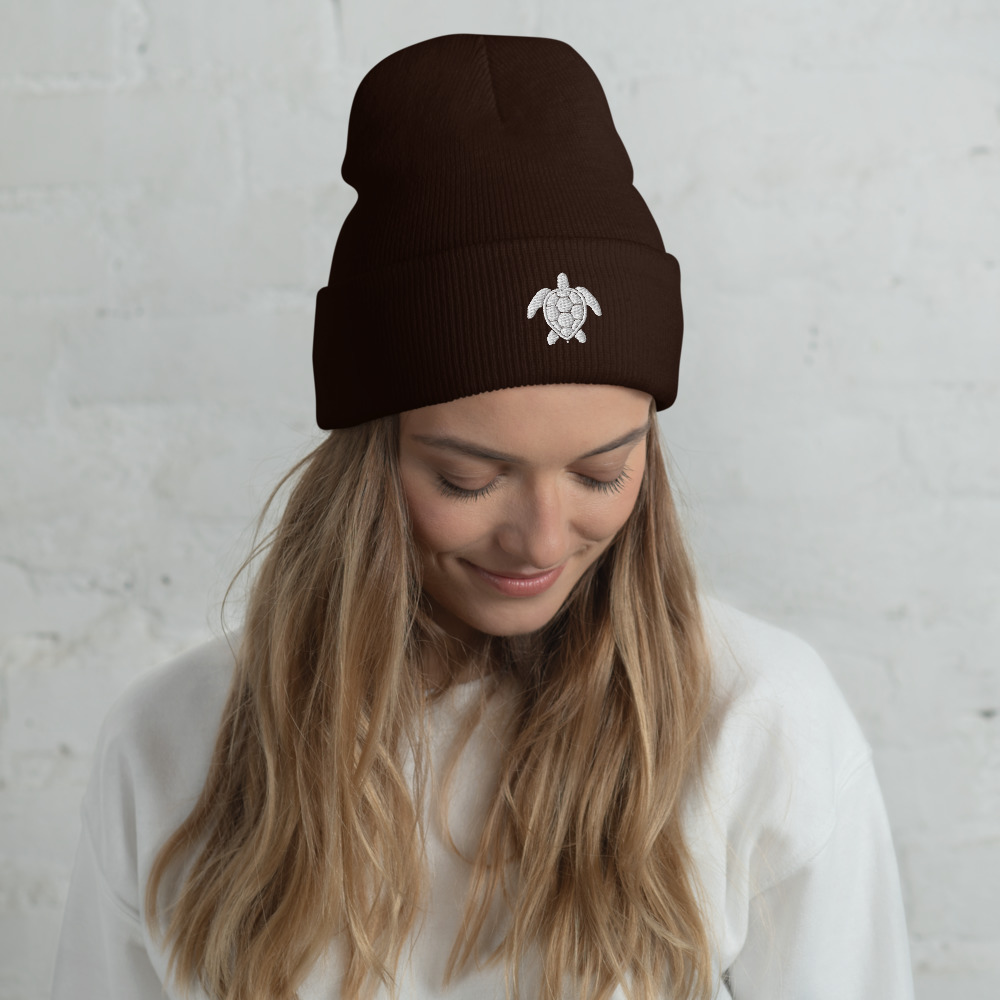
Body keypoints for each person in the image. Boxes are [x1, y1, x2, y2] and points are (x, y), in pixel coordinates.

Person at [51, 33, 915, 1000]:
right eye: (469, 480)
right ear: (368, 463)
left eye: (601, 473)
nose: (543, 540)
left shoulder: (762, 725)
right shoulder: (172, 744)